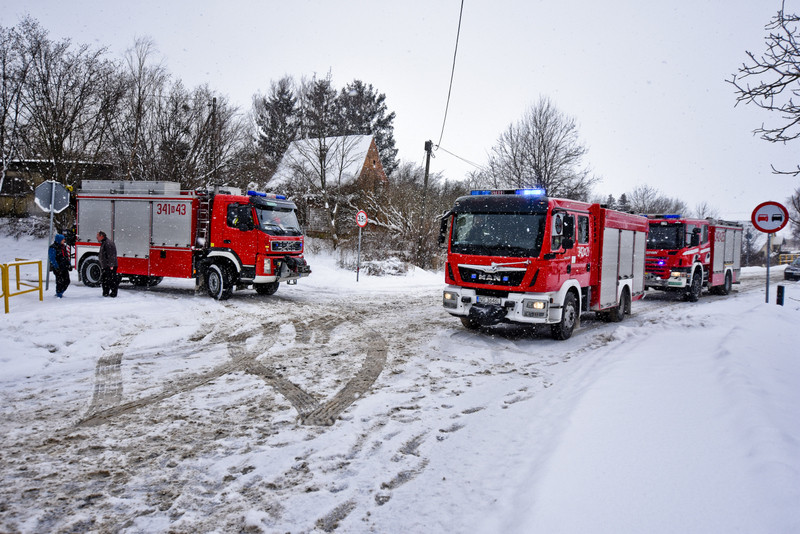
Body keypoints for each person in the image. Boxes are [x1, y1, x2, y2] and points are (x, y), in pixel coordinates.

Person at [48, 233, 71, 298]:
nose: (64, 241)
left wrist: (69, 264)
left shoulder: (63, 247)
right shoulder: (53, 248)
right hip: (58, 267)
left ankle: (61, 292)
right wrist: (56, 267)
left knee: (67, 281)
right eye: (63, 240)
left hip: (64, 267)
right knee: (59, 282)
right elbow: (52, 258)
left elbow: (66, 256)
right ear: (59, 240)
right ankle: (59, 294)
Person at [97, 231, 119, 298]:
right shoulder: (105, 242)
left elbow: (111, 255)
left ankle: (112, 293)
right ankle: (106, 293)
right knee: (106, 280)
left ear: (101, 236)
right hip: (106, 265)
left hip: (108, 266)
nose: (96, 238)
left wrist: (111, 265)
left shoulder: (107, 243)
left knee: (110, 280)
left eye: (97, 236)